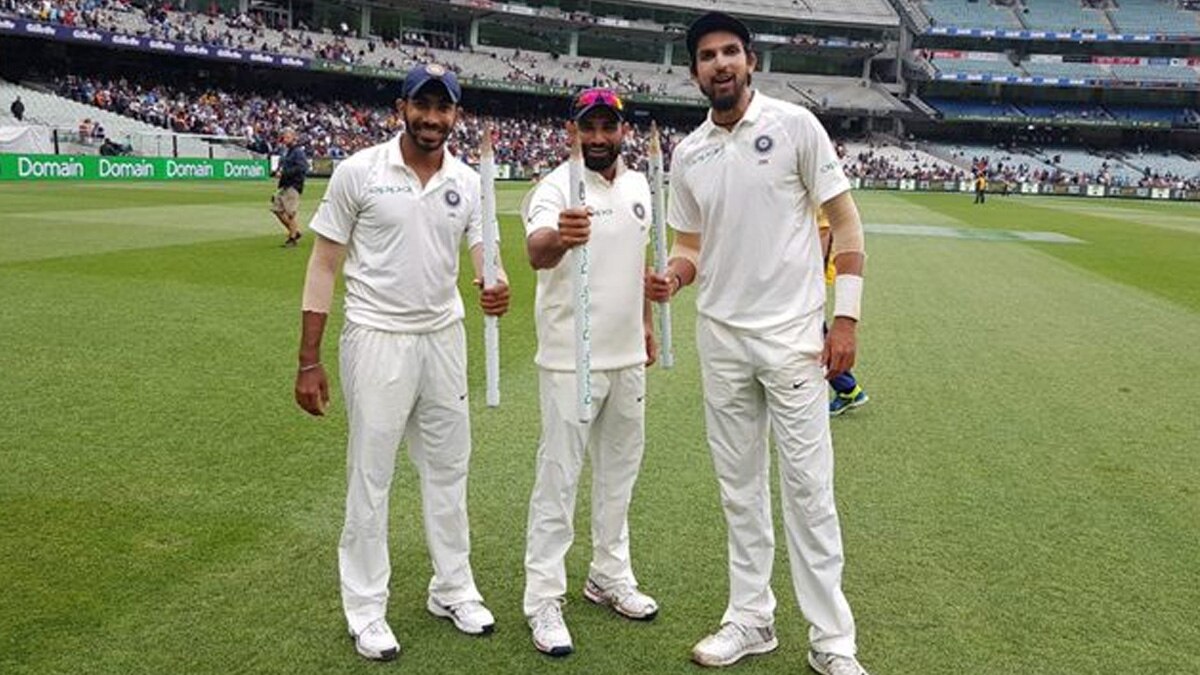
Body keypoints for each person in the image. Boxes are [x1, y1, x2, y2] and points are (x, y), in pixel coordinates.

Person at [645, 12, 870, 675]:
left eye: (730, 52)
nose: (720, 64)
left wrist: (846, 319)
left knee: (809, 492)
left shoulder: (795, 126)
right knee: (739, 490)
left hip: (793, 338)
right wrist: (672, 277)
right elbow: (690, 246)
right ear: (695, 73)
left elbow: (846, 224)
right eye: (707, 55)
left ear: (750, 61)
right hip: (721, 339)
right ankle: (752, 618)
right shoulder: (689, 153)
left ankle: (833, 642)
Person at [293, 63, 510, 662]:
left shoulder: (467, 181)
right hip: (377, 336)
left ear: (455, 115)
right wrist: (308, 359)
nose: (432, 118)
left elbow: (484, 253)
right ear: (402, 108)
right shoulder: (359, 171)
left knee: (449, 469)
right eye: (423, 106)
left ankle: (453, 589)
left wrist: (495, 283)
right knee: (371, 475)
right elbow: (323, 264)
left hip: (443, 336)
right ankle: (366, 608)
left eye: (443, 108)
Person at [521, 88, 659, 657]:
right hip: (569, 358)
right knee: (559, 479)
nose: (598, 138)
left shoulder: (640, 184)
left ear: (622, 130)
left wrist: (646, 323)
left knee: (619, 476)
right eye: (588, 128)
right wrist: (561, 235)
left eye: (608, 127)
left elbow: (641, 258)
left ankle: (608, 574)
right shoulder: (556, 187)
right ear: (572, 132)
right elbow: (536, 251)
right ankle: (542, 598)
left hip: (626, 357)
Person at [818, 209, 869, 417]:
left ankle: (848, 389)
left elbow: (823, 231)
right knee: (815, 331)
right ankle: (848, 388)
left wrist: (813, 275)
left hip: (801, 278)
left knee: (814, 332)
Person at [272, 127, 309, 247]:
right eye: (284, 137)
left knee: (290, 214)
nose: (285, 139)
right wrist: (278, 171)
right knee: (277, 209)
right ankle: (295, 231)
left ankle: (292, 238)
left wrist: (284, 173)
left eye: (288, 137)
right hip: (284, 185)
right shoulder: (287, 151)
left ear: (294, 137)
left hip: (293, 185)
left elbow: (302, 168)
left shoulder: (298, 152)